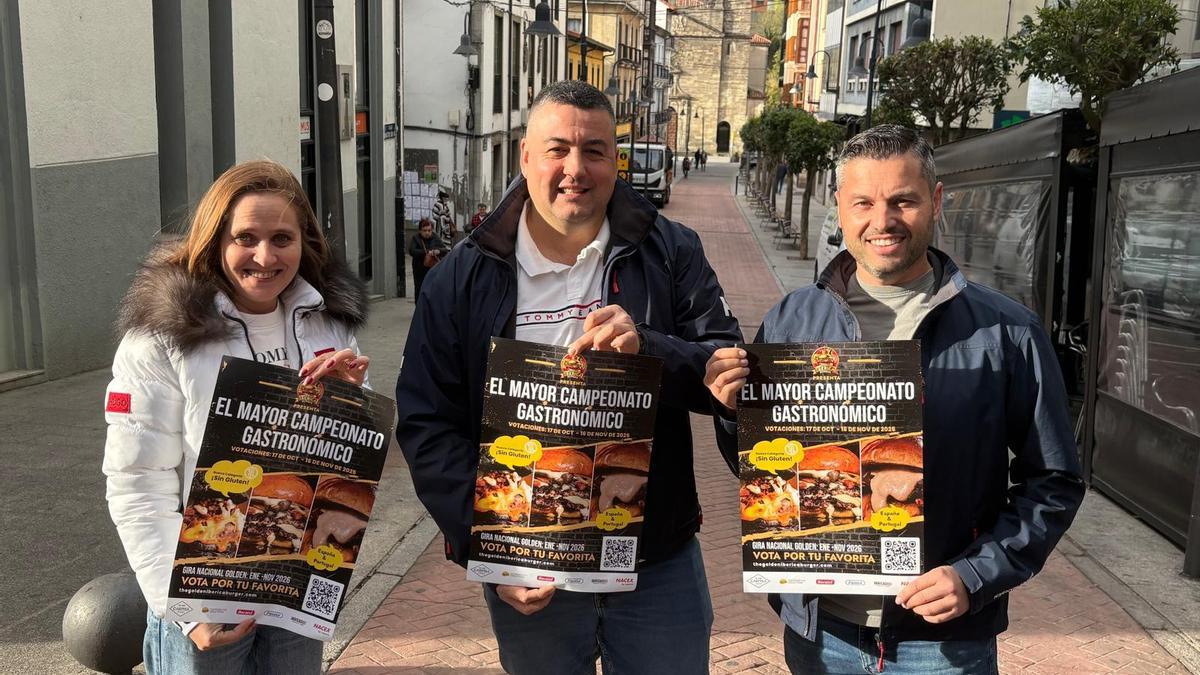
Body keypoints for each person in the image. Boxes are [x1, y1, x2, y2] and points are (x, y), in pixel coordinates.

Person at [703, 125, 1085, 674]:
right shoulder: (791, 320)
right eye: (863, 202)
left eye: (902, 200)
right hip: (820, 630)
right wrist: (728, 411)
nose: (882, 221)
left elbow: (1054, 481)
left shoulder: (1009, 332)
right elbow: (760, 469)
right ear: (840, 206)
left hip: (943, 641)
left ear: (935, 201)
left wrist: (977, 574)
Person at [396, 80, 742, 675]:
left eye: (595, 151)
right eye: (557, 150)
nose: (574, 169)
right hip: (529, 558)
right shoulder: (462, 275)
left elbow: (725, 368)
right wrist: (486, 546)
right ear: (525, 156)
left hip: (655, 559)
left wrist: (651, 350)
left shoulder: (671, 250)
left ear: (616, 159)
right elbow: (428, 421)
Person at [103, 160, 371, 675]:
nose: (265, 256)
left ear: (305, 241)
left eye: (282, 238)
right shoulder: (163, 336)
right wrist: (181, 608)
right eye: (245, 237)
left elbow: (348, 465)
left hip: (297, 583)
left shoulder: (327, 323)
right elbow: (137, 479)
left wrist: (351, 401)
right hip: (205, 590)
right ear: (214, 240)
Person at [408, 217, 448, 297]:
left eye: (429, 230)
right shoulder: (416, 238)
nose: (427, 233)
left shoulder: (435, 237)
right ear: (420, 231)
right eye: (424, 230)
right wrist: (426, 252)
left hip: (433, 268)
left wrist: (438, 251)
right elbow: (412, 251)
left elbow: (445, 250)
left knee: (433, 289)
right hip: (419, 269)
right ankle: (419, 308)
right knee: (419, 289)